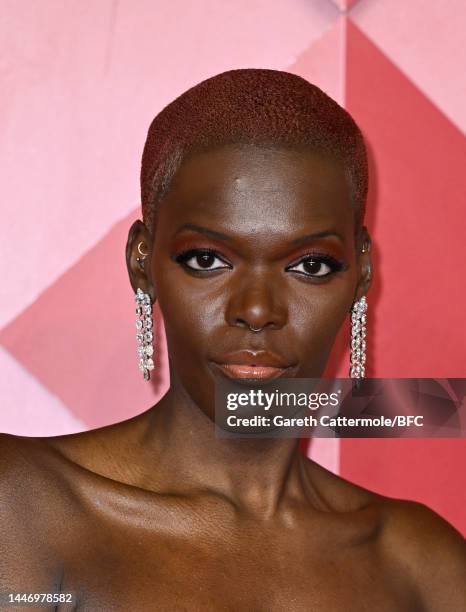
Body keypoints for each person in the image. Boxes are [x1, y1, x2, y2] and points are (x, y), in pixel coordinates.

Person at [1, 68, 465, 611]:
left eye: (310, 264)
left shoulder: (424, 567)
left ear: (361, 275)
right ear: (143, 263)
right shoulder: (23, 505)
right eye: (207, 260)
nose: (257, 311)